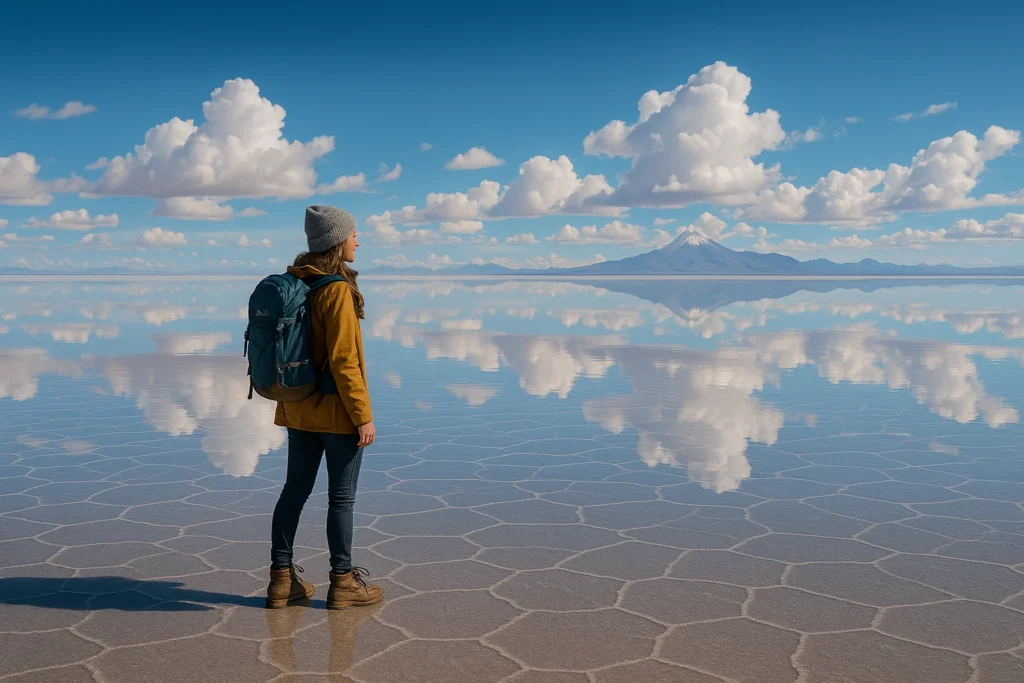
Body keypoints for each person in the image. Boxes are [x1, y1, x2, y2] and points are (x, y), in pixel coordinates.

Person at [265, 204, 384, 610]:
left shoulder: (297, 283)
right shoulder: (335, 291)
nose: (358, 240)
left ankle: (281, 580)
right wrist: (362, 415)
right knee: (341, 499)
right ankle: (343, 582)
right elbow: (344, 361)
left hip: (298, 409)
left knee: (293, 493)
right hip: (336, 415)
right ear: (336, 239)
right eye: (353, 234)